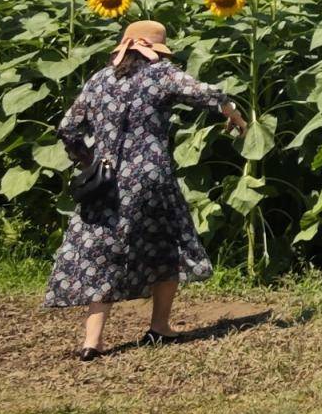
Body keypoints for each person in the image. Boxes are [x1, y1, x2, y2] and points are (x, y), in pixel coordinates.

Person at [48, 20, 248, 358]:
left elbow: (67, 128)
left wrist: (88, 161)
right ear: (155, 50)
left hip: (105, 182)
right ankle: (160, 327)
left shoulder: (99, 80)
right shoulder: (161, 74)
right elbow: (207, 93)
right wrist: (234, 115)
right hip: (150, 177)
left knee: (101, 253)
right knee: (164, 245)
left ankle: (92, 342)